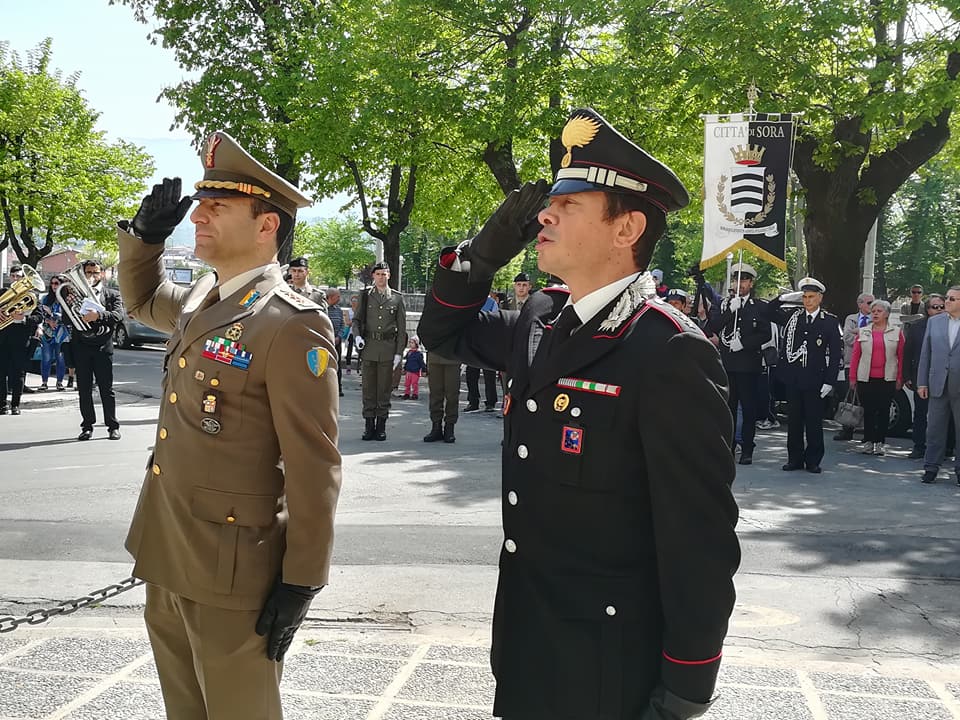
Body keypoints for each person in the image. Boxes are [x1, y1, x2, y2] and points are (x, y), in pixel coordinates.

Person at [418, 107, 739, 720]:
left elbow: (699, 539)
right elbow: (443, 333)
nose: (545, 214)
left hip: (607, 668)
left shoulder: (667, 349)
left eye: (569, 205)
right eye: (550, 204)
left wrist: (685, 690)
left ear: (627, 229)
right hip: (526, 644)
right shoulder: (543, 316)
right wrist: (483, 255)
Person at [116, 131, 341, 720]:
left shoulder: (290, 323)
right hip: (168, 547)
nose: (199, 215)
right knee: (184, 710)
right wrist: (145, 240)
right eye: (201, 204)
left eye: (218, 206)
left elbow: (314, 464)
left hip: (233, 568)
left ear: (266, 225)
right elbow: (142, 301)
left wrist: (302, 579)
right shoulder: (202, 297)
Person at [768, 277, 842, 473]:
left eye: (811, 297)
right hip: (793, 378)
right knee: (794, 422)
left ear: (820, 298)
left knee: (813, 422)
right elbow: (768, 312)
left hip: (815, 379)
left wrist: (830, 381)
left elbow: (835, 354)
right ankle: (794, 459)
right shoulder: (794, 317)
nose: (807, 301)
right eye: (805, 297)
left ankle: (813, 460)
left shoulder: (829, 321)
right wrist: (783, 298)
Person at [705, 262, 770, 465]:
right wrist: (729, 312)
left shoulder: (759, 307)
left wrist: (744, 343)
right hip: (728, 364)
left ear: (751, 283)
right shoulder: (726, 304)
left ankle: (747, 447)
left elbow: (765, 334)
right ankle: (729, 446)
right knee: (728, 409)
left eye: (744, 280)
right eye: (736, 280)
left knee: (749, 409)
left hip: (748, 365)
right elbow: (713, 326)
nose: (739, 284)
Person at [63, 260, 124, 440]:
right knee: (84, 389)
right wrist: (70, 307)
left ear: (102, 274)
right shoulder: (75, 295)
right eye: (88, 273)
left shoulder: (112, 294)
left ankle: (112, 426)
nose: (92, 276)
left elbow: (118, 316)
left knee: (107, 389)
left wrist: (97, 315)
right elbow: (66, 320)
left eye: (95, 272)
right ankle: (87, 426)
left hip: (103, 347)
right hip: (81, 346)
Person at [353, 261, 406, 440]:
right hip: (369, 347)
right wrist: (357, 337)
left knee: (384, 390)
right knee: (368, 389)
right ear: (373, 276)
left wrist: (399, 353)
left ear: (389, 275)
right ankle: (369, 426)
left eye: (384, 274)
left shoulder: (397, 298)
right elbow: (356, 320)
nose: (381, 277)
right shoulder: (365, 295)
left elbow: (402, 329)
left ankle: (381, 426)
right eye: (378, 274)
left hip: (388, 349)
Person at [849, 300, 904, 455]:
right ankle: (868, 441)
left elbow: (901, 357)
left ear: (886, 314)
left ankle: (880, 442)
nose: (875, 314)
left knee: (884, 411)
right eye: (873, 311)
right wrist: (852, 377)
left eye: (879, 311)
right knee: (869, 411)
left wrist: (900, 377)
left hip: (887, 378)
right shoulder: (863, 332)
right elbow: (855, 356)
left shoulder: (896, 332)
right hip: (866, 378)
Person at [917, 285, 960, 485]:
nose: (946, 302)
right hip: (937, 383)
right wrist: (921, 382)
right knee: (934, 429)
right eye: (947, 298)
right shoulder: (934, 322)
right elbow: (925, 354)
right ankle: (931, 467)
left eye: (952, 299)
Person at [903, 294, 948, 459]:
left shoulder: (953, 326)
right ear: (927, 310)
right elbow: (908, 353)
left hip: (945, 377)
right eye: (934, 307)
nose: (939, 310)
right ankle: (919, 446)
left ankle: (947, 447)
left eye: (942, 306)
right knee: (920, 413)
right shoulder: (917, 327)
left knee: (946, 414)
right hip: (921, 377)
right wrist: (907, 375)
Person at [0, 264, 41, 415]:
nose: (16, 279)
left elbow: (39, 317)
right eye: (13, 276)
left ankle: (15, 405)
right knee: (1, 373)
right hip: (3, 338)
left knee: (18, 373)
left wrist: (24, 318)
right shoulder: (2, 292)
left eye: (19, 276)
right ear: (10, 277)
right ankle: (2, 404)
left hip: (21, 339)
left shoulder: (32, 297)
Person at [834, 292, 874, 441]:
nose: (872, 306)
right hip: (851, 362)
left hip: (869, 363)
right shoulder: (851, 319)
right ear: (860, 304)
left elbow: (876, 339)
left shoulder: (876, 319)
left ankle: (867, 432)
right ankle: (847, 429)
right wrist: (866, 338)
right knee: (849, 396)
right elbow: (847, 338)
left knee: (867, 398)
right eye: (869, 303)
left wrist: (859, 335)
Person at [38, 275, 70, 391]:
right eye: (52, 283)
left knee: (60, 358)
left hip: (62, 333)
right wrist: (48, 321)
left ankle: (59, 382)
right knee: (46, 358)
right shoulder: (46, 299)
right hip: (47, 333)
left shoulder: (67, 300)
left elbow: (68, 317)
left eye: (56, 283)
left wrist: (52, 315)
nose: (53, 286)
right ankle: (44, 382)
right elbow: (40, 314)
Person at [422, 349, 461, 443]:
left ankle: (449, 428)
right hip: (434, 355)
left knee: (452, 394)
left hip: (453, 356)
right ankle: (436, 427)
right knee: (435, 393)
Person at [325, 287, 345, 397]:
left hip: (337, 342)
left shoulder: (339, 310)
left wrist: (339, 337)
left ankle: (338, 387)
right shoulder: (323, 309)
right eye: (338, 296)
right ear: (331, 297)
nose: (339, 299)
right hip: (325, 342)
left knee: (337, 365)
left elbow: (342, 325)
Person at [344, 294, 359, 374]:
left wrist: (353, 321)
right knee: (349, 350)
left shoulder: (360, 311)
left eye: (356, 301)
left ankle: (360, 367)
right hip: (351, 333)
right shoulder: (348, 311)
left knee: (360, 350)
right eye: (353, 301)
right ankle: (348, 367)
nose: (354, 302)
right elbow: (347, 322)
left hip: (359, 333)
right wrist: (355, 321)